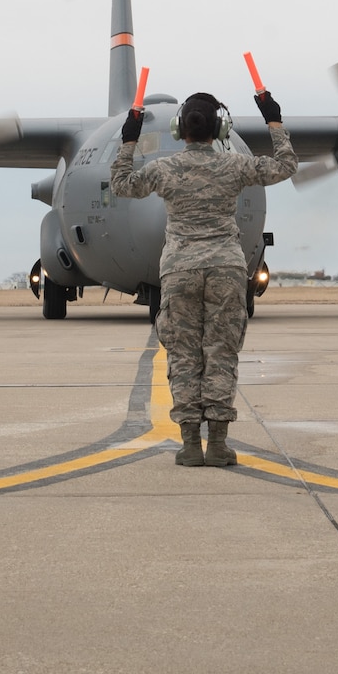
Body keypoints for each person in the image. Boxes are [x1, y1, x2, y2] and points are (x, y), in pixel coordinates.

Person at [110, 86, 295, 466]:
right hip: (227, 269)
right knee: (220, 353)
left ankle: (191, 443)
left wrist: (129, 139)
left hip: (179, 270)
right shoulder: (234, 165)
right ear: (220, 130)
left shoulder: (164, 169)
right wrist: (273, 119)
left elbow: (121, 184)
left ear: (180, 130)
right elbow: (285, 166)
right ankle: (220, 444)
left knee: (183, 355)